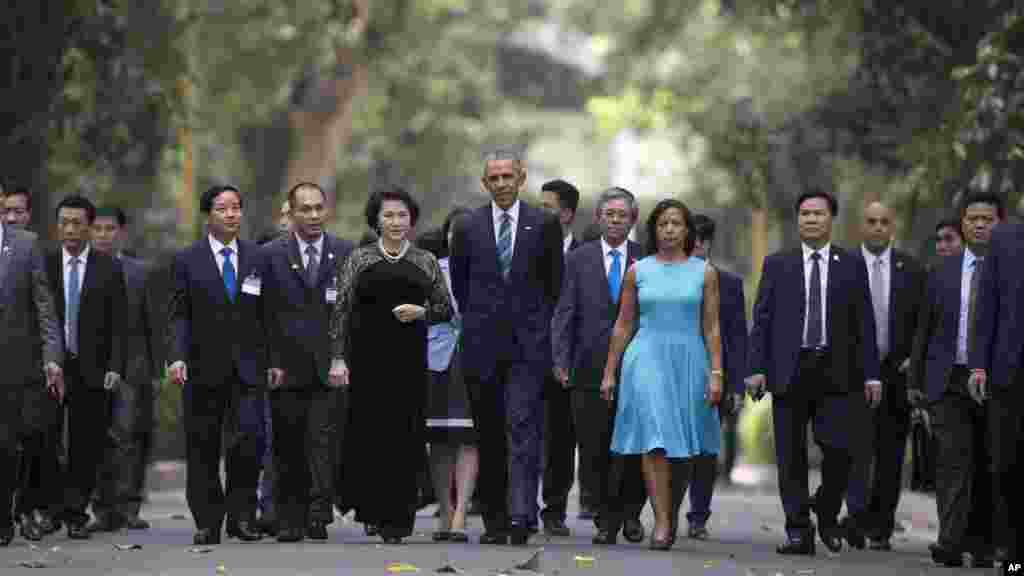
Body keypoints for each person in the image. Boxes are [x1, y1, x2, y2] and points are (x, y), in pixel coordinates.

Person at [747, 189, 881, 556]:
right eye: (804, 213)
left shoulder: (851, 264)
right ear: (797, 219)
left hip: (838, 372)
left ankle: (825, 507)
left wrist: (872, 374)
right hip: (790, 370)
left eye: (818, 213)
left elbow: (864, 322)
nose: (810, 219)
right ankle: (798, 532)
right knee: (790, 456)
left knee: (840, 451)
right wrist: (756, 368)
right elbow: (762, 320)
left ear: (831, 219)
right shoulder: (778, 263)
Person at [449, 149, 563, 546]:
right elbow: (461, 288)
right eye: (493, 178)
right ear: (485, 183)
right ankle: (496, 521)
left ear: (521, 178)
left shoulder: (544, 224)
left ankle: (520, 516)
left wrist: (533, 329)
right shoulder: (466, 226)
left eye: (507, 176)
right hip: (482, 347)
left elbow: (553, 286)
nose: (500, 184)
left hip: (527, 349)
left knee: (523, 429)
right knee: (491, 435)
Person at [327, 187, 453, 544]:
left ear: (411, 220)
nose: (396, 222)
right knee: (370, 434)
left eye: (402, 216)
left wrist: (422, 312)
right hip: (367, 360)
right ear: (376, 220)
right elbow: (341, 312)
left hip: (410, 361)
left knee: (406, 436)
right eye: (389, 216)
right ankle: (371, 511)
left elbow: (445, 309)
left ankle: (399, 518)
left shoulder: (424, 260)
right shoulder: (359, 259)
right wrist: (338, 358)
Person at [600, 198, 724, 550]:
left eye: (676, 224)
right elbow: (623, 325)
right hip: (646, 358)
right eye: (663, 224)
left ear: (687, 231)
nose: (669, 230)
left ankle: (667, 512)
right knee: (654, 439)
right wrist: (610, 371)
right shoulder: (639, 271)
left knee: (683, 448)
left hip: (689, 360)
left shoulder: (704, 272)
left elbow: (712, 327)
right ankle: (663, 523)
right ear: (654, 230)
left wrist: (716, 373)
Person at [166, 185, 268, 545]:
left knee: (249, 440)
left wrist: (275, 360)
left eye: (237, 208)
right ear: (208, 214)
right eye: (223, 208)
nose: (231, 214)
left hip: (249, 368)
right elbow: (178, 315)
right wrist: (176, 357)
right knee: (203, 447)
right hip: (201, 367)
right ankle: (208, 520)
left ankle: (242, 517)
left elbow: (269, 315)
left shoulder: (259, 258)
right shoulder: (186, 260)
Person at [910, 192, 1002, 567]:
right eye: (972, 219)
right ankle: (949, 542)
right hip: (948, 380)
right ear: (962, 224)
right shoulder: (941, 272)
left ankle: (982, 545)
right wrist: (915, 381)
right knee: (952, 460)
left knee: (989, 462)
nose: (980, 225)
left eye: (988, 219)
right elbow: (924, 331)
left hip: (997, 382)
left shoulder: (1011, 268)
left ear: (1000, 224)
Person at [552, 187, 646, 546]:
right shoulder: (578, 259)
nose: (616, 220)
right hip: (586, 367)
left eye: (623, 215)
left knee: (634, 447)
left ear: (633, 220)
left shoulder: (646, 258)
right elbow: (564, 312)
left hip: (637, 366)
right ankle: (605, 519)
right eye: (609, 214)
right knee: (594, 448)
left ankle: (632, 514)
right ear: (598, 218)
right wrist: (560, 360)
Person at [262, 182, 354, 542]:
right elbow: (261, 314)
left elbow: (351, 314)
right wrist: (269, 361)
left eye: (319, 208)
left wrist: (342, 358)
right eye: (306, 209)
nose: (314, 215)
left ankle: (318, 514)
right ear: (292, 211)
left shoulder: (345, 253)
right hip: (284, 368)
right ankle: (289, 517)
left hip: (330, 367)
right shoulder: (269, 255)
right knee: (288, 443)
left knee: (323, 444)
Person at [836, 201, 926, 550]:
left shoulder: (912, 270)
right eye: (871, 221)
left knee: (890, 455)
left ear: (892, 227)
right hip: (853, 373)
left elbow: (922, 322)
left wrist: (913, 361)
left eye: (883, 222)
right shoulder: (845, 266)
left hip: (896, 373)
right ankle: (856, 517)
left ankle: (881, 526)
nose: (877, 227)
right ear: (862, 226)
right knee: (856, 450)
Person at [44, 195, 126, 540]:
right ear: (57, 225)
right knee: (44, 438)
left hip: (93, 368)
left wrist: (115, 366)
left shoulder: (108, 267)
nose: (71, 229)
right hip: (51, 368)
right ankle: (47, 509)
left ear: (90, 228)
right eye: (65, 222)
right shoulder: (44, 264)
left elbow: (120, 324)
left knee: (86, 444)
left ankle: (76, 513)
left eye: (78, 223)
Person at [88, 206, 158, 532]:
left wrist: (156, 368)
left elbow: (151, 322)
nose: (103, 235)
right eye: (97, 229)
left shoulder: (139, 272)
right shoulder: (77, 268)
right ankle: (101, 508)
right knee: (94, 437)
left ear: (121, 232)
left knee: (128, 436)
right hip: (90, 365)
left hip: (133, 365)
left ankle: (128, 506)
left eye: (109, 229)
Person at [0, 213, 63, 546]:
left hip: (15, 366)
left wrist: (52, 356)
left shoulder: (25, 245)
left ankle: (5, 517)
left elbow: (44, 305)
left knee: (9, 444)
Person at [685, 213, 748, 541]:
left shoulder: (730, 284)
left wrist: (736, 385)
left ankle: (698, 516)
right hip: (675, 373)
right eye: (691, 238)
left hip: (715, 377)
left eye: (702, 239)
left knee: (707, 451)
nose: (696, 244)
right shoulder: (663, 276)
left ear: (708, 243)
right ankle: (666, 510)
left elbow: (737, 337)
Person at [969, 213, 1022, 566]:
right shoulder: (1004, 238)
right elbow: (986, 305)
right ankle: (1013, 553)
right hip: (1009, 372)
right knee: (1007, 465)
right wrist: (979, 366)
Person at [423, 206, 479, 543]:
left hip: (474, 359)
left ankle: (461, 514)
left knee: (470, 438)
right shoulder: (432, 269)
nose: (458, 239)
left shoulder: (486, 271)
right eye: (453, 232)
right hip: (436, 360)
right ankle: (445, 510)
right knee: (440, 440)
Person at [537, 178, 581, 534]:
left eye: (548, 208)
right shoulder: (527, 248)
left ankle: (554, 509)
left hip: (570, 360)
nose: (540, 215)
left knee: (562, 438)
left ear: (567, 214)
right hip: (528, 354)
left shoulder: (585, 255)